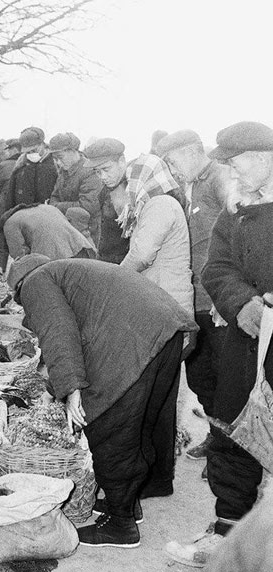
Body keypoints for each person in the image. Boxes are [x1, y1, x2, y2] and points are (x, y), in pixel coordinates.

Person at [7, 255, 197, 548]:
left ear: (18, 288)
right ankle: (128, 504)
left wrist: (71, 389)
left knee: (111, 429)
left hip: (132, 338)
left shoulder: (35, 282)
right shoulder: (70, 272)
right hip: (166, 330)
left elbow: (59, 332)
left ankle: (121, 527)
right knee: (138, 428)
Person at [166, 121, 273, 568]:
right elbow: (218, 268)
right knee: (233, 433)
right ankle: (230, 529)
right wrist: (242, 303)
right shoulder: (235, 212)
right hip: (246, 343)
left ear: (265, 158)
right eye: (226, 162)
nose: (230, 169)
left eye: (237, 160)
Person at [157, 129, 230, 465]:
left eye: (173, 162)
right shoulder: (192, 185)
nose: (173, 169)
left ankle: (231, 453)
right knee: (200, 376)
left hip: (218, 303)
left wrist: (224, 296)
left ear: (191, 152)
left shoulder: (220, 178)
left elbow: (237, 234)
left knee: (226, 380)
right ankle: (217, 440)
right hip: (196, 299)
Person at [120, 153, 194, 317]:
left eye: (131, 181)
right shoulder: (159, 203)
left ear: (145, 179)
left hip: (167, 302)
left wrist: (116, 277)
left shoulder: (160, 204)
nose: (127, 188)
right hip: (165, 299)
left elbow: (142, 255)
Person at [0, 203, 96, 271]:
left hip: (53, 260)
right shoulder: (47, 207)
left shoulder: (10, 223)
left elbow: (20, 257)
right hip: (82, 250)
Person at [48, 132, 102, 245]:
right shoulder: (64, 172)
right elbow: (54, 196)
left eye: (60, 157)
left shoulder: (89, 171)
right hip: (69, 231)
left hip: (89, 234)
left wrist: (56, 206)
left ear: (73, 151)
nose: (57, 162)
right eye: (55, 159)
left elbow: (88, 206)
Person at [84, 138, 130, 263]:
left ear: (121, 161)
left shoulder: (134, 192)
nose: (103, 177)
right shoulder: (105, 191)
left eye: (106, 169)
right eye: (98, 172)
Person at [3, 126, 58, 212]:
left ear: (42, 144)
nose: (31, 154)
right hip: (21, 215)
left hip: (44, 217)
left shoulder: (54, 165)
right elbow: (10, 195)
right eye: (28, 152)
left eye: (34, 150)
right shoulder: (20, 165)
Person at [0, 138, 21, 226]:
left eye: (9, 150)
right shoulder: (33, 164)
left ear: (14, 150)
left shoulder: (4, 165)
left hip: (5, 207)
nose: (8, 153)